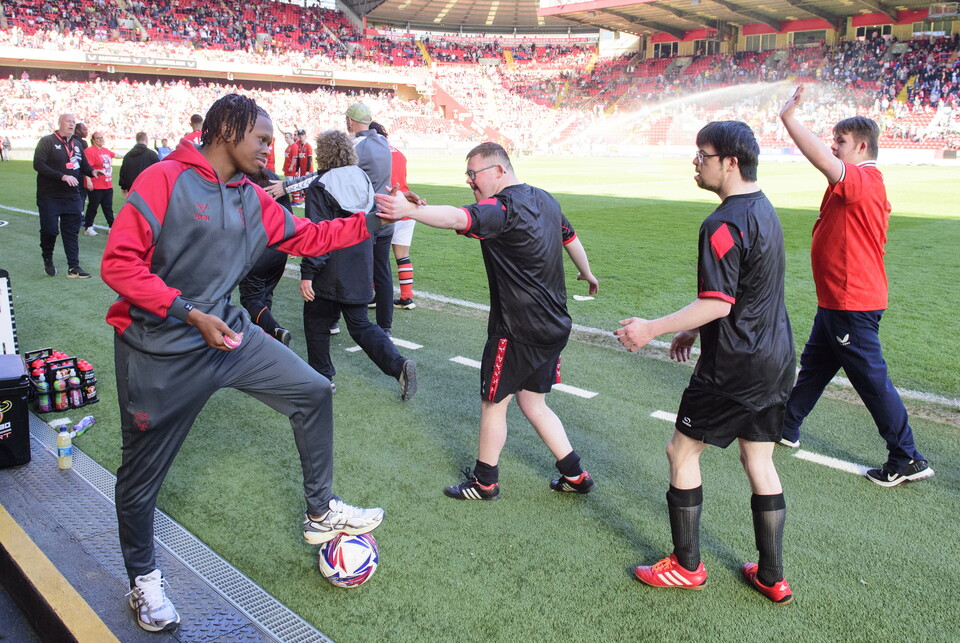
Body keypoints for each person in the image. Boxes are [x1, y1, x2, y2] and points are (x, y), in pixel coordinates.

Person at [100, 94, 385, 633]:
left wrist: (370, 219)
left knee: (311, 390)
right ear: (227, 131)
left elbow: (309, 237)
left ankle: (321, 511)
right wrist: (187, 312)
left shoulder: (251, 197)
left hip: (228, 335)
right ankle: (143, 580)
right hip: (159, 351)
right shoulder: (163, 180)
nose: (268, 149)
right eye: (261, 139)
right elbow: (118, 265)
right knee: (140, 479)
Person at [614, 121, 795, 605]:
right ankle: (772, 575)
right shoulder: (766, 208)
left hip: (734, 367)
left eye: (703, 154)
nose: (696, 161)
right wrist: (694, 328)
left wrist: (651, 327)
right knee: (758, 458)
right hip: (776, 360)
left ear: (729, 162)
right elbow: (740, 294)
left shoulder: (721, 222)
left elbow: (719, 302)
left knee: (682, 452)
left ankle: (687, 565)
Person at [375, 142, 599, 500]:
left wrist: (409, 212)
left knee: (494, 404)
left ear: (498, 171)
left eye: (473, 173)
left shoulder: (502, 208)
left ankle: (485, 482)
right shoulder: (545, 199)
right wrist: (588, 273)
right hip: (555, 325)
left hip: (517, 329)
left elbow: (458, 218)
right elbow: (569, 238)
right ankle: (575, 474)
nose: (469, 181)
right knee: (533, 402)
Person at [778, 85, 934, 487]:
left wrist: (790, 119)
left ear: (861, 146)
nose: (834, 148)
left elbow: (822, 162)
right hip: (838, 300)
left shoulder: (861, 180)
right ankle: (786, 425)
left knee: (870, 380)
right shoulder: (864, 182)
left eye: (840, 142)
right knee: (814, 367)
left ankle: (907, 457)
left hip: (851, 301)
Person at [300, 130, 416, 400]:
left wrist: (308, 273)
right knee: (360, 324)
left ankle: (322, 378)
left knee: (315, 322)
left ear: (323, 154)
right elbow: (371, 223)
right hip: (360, 262)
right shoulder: (362, 178)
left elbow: (318, 235)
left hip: (329, 267)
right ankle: (398, 366)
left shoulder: (321, 185)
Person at [346, 104, 394, 333]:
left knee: (354, 269)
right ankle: (385, 327)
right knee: (382, 272)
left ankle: (351, 323)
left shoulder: (356, 145)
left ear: (349, 121)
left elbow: (327, 176)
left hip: (366, 218)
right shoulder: (383, 142)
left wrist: (286, 186)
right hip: (386, 214)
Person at [33, 113, 100, 278]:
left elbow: (82, 165)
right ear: (59, 123)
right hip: (49, 196)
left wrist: (92, 171)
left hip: (72, 196)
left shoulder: (77, 144)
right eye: (68, 121)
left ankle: (74, 267)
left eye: (73, 122)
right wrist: (62, 176)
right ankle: (47, 257)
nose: (71, 124)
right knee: (50, 230)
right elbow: (38, 164)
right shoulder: (47, 141)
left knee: (71, 232)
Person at [238, 167, 294, 346]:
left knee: (251, 298)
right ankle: (264, 339)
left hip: (258, 249)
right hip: (279, 248)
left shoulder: (242, 180)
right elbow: (289, 216)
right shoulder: (273, 179)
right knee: (265, 295)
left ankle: (274, 330)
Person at [370, 121, 417, 310]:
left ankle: (374, 295)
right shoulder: (400, 152)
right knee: (403, 256)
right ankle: (407, 297)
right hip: (406, 205)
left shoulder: (374, 151)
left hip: (387, 206)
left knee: (377, 257)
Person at [83, 131, 116, 235]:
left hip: (107, 184)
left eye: (102, 138)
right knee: (93, 207)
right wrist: (88, 181)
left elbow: (115, 155)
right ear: (93, 140)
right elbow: (87, 168)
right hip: (96, 184)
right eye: (98, 138)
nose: (101, 139)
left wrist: (130, 155)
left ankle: (112, 226)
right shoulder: (90, 151)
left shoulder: (105, 150)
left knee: (108, 207)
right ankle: (88, 227)